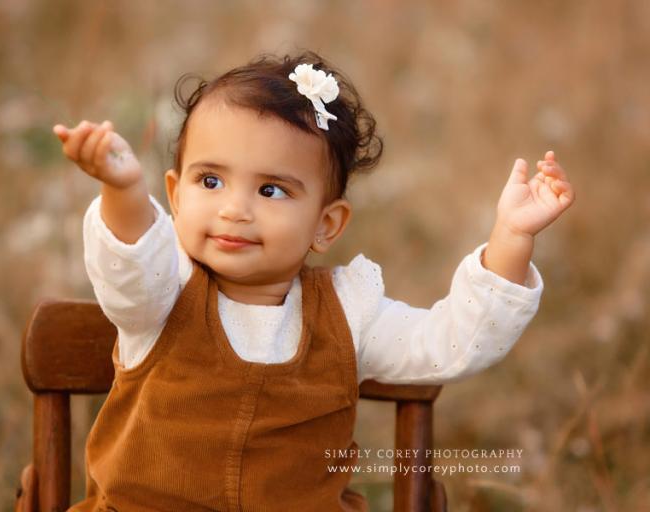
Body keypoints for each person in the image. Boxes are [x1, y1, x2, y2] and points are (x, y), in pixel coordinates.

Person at [53, 51, 574, 512]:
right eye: (210, 181)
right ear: (175, 195)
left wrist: (510, 237)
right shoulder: (164, 295)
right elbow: (130, 268)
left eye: (272, 190)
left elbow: (452, 341)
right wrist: (121, 190)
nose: (235, 209)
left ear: (326, 225)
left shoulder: (349, 314)